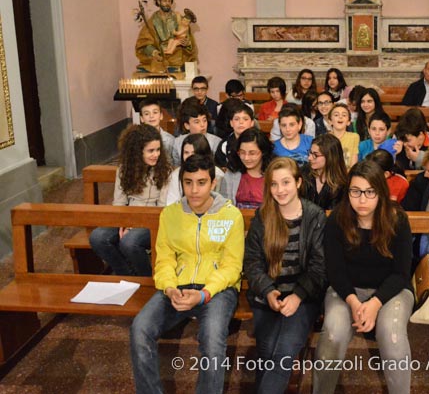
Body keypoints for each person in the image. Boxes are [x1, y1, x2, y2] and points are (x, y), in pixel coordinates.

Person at [130, 154, 244, 393]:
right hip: (177, 288)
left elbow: (232, 267)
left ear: (213, 183)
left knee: (212, 342)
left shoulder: (231, 215)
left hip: (217, 291)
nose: (194, 190)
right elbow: (164, 260)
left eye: (201, 182)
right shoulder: (170, 214)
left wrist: (204, 294)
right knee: (140, 329)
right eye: (188, 182)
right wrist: (170, 288)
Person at [314, 161, 414, 394]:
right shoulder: (337, 220)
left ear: (380, 192)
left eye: (370, 192)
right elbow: (335, 271)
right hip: (346, 290)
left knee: (393, 336)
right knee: (332, 334)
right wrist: (354, 302)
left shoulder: (397, 219)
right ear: (348, 191)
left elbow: (401, 273)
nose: (362, 200)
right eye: (356, 191)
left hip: (391, 291)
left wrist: (375, 303)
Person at [243, 157, 327, 393]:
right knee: (267, 351)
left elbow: (319, 266)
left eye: (286, 182)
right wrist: (268, 291)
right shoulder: (264, 216)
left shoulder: (314, 216)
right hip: (268, 296)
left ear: (298, 182)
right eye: (274, 184)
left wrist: (298, 295)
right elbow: (252, 261)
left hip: (302, 297)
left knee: (281, 353)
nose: (280, 190)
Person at [90, 123, 171, 276]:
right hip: (127, 216)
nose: (156, 154)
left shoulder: (164, 170)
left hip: (152, 220)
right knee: (98, 237)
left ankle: (146, 277)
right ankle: (127, 274)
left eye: (158, 150)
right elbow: (119, 202)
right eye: (150, 151)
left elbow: (161, 207)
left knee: (129, 242)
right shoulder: (124, 169)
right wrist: (123, 223)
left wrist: (135, 225)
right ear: (136, 151)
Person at [134, 0, 198, 72]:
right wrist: (154, 52)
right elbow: (143, 44)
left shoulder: (179, 18)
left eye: (169, 1)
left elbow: (188, 40)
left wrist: (187, 44)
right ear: (158, 2)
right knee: (150, 66)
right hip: (160, 56)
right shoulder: (152, 22)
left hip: (176, 55)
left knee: (181, 62)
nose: (167, 4)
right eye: (164, 1)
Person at [219, 128, 274, 209]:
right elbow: (224, 205)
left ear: (263, 152)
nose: (246, 158)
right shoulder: (231, 173)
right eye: (242, 152)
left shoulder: (274, 174)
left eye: (252, 153)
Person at [165, 133, 225, 205]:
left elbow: (222, 202)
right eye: (186, 152)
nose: (189, 157)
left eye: (194, 153)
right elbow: (171, 203)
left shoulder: (218, 174)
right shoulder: (175, 175)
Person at [301, 133, 348, 211]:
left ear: (330, 157)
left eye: (315, 155)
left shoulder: (342, 183)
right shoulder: (303, 173)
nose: (309, 158)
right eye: (310, 152)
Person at [172, 101, 223, 165]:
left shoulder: (217, 142)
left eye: (204, 120)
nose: (202, 125)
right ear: (187, 125)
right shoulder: (178, 142)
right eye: (197, 122)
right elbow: (177, 166)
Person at [214, 99, 256, 170]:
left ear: (252, 123)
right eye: (236, 119)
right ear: (231, 123)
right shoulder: (224, 144)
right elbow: (219, 167)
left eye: (245, 119)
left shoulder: (260, 141)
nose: (241, 122)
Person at [328, 103, 359, 168]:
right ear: (330, 121)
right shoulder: (324, 139)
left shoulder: (354, 137)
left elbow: (353, 164)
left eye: (344, 115)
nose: (340, 117)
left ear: (348, 122)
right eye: (336, 115)